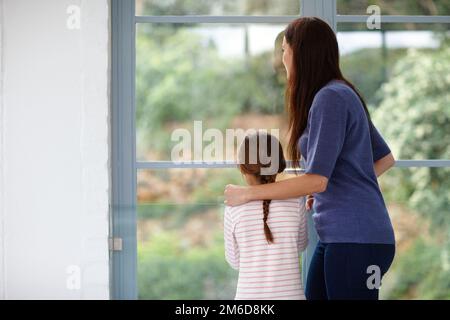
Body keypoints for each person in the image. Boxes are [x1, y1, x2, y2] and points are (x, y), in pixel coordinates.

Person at [224, 17, 396, 300]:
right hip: (343, 237)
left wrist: (248, 194)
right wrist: (334, 189)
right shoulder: (339, 94)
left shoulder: (331, 98)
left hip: (356, 239)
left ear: (299, 52)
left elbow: (316, 179)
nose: (282, 58)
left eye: (284, 50)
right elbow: (385, 159)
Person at [224, 131, 308, 300]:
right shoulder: (296, 202)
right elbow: (301, 246)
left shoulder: (234, 208)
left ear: (243, 167)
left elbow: (234, 261)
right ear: (278, 165)